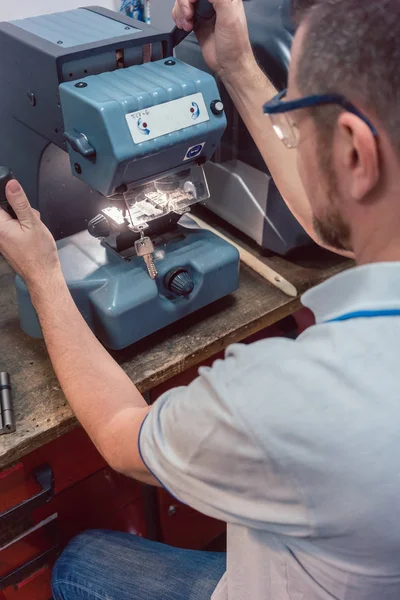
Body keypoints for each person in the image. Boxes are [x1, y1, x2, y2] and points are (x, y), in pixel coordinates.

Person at [1, 0, 400, 598]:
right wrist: (236, 64)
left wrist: (43, 276)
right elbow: (330, 223)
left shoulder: (300, 396)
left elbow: (120, 435)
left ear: (352, 152)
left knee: (79, 561)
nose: (290, 136)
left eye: (295, 116)